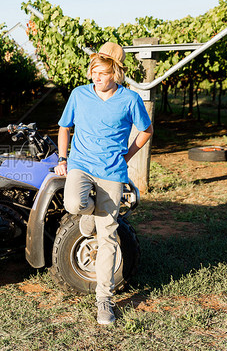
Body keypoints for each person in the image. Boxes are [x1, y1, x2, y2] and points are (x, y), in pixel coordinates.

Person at [54, 42, 153, 325]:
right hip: (81, 164)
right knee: (74, 203)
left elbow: (146, 130)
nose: (96, 77)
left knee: (107, 237)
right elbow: (64, 127)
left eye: (102, 72)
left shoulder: (129, 100)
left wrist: (128, 154)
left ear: (116, 73)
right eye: (94, 71)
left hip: (111, 171)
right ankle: (88, 214)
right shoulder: (79, 94)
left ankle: (104, 300)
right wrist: (63, 158)